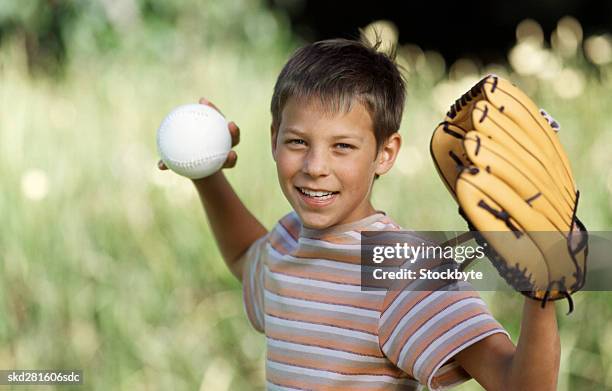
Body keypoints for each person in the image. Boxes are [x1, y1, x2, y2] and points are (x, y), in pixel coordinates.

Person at [159, 38, 561, 390]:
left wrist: (541, 291)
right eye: (298, 141)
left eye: (343, 147)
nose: (315, 165)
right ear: (273, 139)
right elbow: (244, 256)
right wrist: (206, 175)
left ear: (385, 154)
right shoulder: (286, 243)